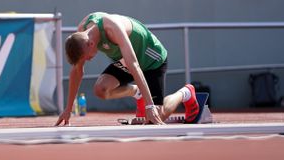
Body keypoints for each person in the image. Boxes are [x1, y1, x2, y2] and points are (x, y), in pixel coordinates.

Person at [55, 12, 199, 126]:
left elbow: (135, 65)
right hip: (127, 60)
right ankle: (138, 93)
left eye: (86, 57)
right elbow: (77, 71)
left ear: (91, 44)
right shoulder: (82, 32)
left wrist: (149, 107)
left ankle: (186, 93)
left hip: (151, 60)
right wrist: (68, 109)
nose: (87, 60)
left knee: (155, 116)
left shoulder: (112, 28)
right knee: (101, 90)